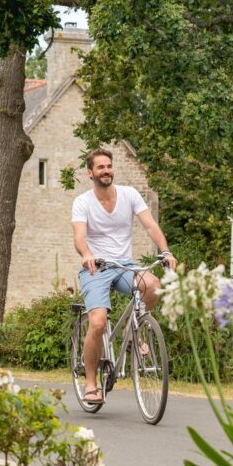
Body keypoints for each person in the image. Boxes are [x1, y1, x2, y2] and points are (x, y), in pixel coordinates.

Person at [71, 148, 177, 403]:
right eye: (100, 167)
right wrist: (86, 254)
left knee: (152, 285)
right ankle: (91, 382)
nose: (106, 170)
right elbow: (79, 237)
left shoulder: (129, 195)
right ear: (90, 172)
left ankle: (137, 334)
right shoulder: (83, 202)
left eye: (108, 166)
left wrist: (165, 251)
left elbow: (150, 225)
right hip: (96, 267)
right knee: (97, 322)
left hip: (124, 265)